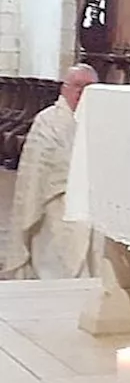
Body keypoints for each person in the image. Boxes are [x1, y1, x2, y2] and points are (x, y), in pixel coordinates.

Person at [0, 64, 97, 280]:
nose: (82, 93)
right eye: (77, 86)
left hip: (93, 196)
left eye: (89, 87)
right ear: (64, 89)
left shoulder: (103, 120)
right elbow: (35, 170)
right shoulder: (48, 120)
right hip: (53, 196)